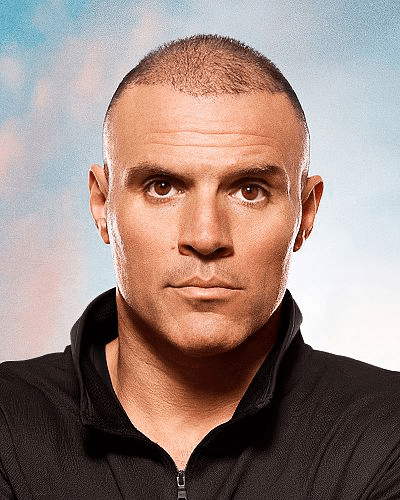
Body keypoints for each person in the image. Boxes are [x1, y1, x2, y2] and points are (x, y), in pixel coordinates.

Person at [0, 34, 399, 500]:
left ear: (305, 214)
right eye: (162, 187)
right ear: (102, 205)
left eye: (249, 190)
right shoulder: (7, 421)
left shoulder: (387, 429)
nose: (206, 237)